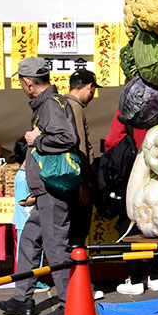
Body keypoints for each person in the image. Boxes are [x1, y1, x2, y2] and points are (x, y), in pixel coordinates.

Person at [0, 58, 80, 315]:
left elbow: (68, 139)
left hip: (53, 191)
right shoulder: (47, 104)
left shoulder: (49, 105)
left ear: (28, 82)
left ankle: (70, 304)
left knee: (56, 247)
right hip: (46, 190)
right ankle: (23, 298)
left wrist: (38, 140)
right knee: (30, 239)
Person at [105, 113, 158, 296]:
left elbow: (112, 140)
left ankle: (135, 278)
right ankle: (155, 276)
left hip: (134, 174)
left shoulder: (126, 111)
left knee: (130, 222)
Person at [63, 68, 98, 249]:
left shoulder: (58, 103)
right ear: (90, 87)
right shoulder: (75, 107)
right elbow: (81, 147)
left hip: (63, 179)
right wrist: (84, 183)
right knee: (78, 233)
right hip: (76, 181)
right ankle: (75, 275)